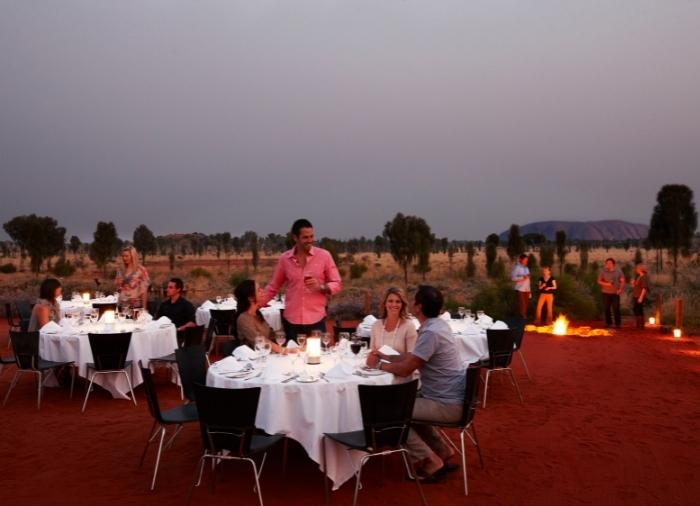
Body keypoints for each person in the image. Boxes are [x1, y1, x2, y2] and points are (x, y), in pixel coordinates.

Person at [366, 285, 465, 481]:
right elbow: (413, 357)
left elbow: (406, 370)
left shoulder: (430, 333)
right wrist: (387, 357)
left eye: (414, 301)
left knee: (391, 411)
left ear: (418, 307)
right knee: (406, 403)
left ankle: (430, 461)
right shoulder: (438, 326)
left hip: (446, 404)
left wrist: (378, 365)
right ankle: (442, 450)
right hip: (451, 398)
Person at [261, 219, 342, 342]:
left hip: (316, 320)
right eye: (305, 237)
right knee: (292, 354)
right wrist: (256, 304)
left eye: (311, 236)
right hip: (292, 321)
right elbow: (273, 286)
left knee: (318, 354)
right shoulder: (285, 259)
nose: (310, 240)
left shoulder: (324, 256)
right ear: (295, 237)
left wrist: (320, 287)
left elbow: (337, 283)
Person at [235, 279, 284, 353]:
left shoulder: (257, 314)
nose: (262, 291)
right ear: (251, 298)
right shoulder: (243, 319)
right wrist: (283, 350)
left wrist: (282, 336)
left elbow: (271, 334)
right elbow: (260, 341)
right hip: (252, 357)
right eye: (258, 290)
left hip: (266, 354)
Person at [369, 287, 417, 354]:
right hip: (378, 361)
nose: (394, 304)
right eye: (390, 301)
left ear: (402, 305)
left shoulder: (409, 326)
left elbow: (412, 356)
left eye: (398, 302)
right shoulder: (376, 325)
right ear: (385, 303)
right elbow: (372, 352)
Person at [597, 258, 625, 328]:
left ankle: (618, 324)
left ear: (613, 264)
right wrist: (607, 284)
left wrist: (620, 289)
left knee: (616, 308)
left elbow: (622, 281)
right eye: (607, 263)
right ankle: (608, 323)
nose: (608, 265)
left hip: (615, 293)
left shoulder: (618, 271)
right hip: (605, 293)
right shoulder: (603, 271)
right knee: (606, 308)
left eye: (610, 263)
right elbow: (599, 281)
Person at [511, 254, 531, 319]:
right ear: (520, 260)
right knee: (522, 304)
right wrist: (522, 277)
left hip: (527, 289)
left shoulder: (526, 268)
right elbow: (513, 278)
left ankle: (523, 319)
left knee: (526, 305)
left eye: (527, 260)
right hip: (520, 288)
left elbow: (528, 279)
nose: (526, 261)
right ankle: (522, 319)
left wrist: (529, 290)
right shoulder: (517, 267)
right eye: (525, 260)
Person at [631, 263, 649, 329]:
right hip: (636, 295)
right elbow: (636, 286)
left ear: (641, 269)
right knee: (637, 309)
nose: (636, 269)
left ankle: (640, 325)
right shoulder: (639, 276)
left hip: (639, 296)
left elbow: (644, 288)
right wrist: (633, 283)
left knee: (638, 309)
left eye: (637, 268)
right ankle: (639, 325)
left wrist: (641, 297)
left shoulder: (644, 277)